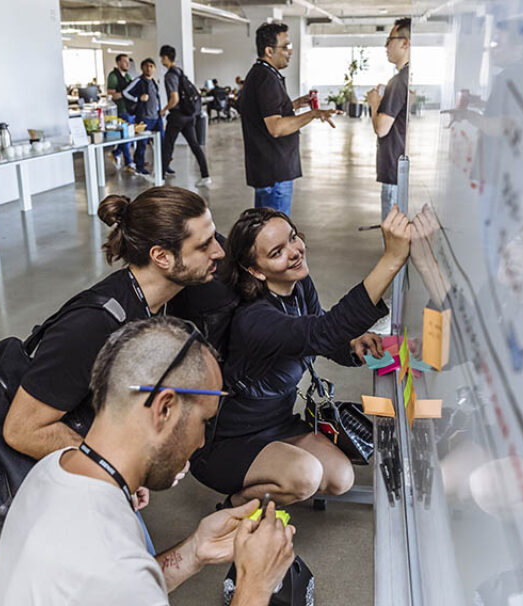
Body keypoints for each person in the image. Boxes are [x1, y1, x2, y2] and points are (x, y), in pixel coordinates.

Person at [0, 186, 233, 605]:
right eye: (206, 243)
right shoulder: (93, 326)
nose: (219, 251)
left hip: (72, 442)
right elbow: (20, 430)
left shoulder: (162, 301)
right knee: (104, 576)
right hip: (26, 443)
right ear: (161, 257)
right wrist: (117, 470)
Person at [0, 318, 297, 605]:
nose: (202, 441)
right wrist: (255, 586)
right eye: (205, 421)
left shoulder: (56, 467)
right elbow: (119, 580)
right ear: (164, 409)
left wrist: (195, 550)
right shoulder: (112, 559)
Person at [190, 207, 412, 506]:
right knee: (305, 476)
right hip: (229, 441)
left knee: (339, 478)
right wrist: (392, 258)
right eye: (277, 252)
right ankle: (232, 508)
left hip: (278, 423)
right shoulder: (254, 319)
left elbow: (319, 334)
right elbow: (323, 332)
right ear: (255, 270)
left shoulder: (298, 286)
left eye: (293, 238)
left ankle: (280, 469)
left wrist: (352, 345)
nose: (294, 252)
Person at [238, 21, 338, 216]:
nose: (290, 52)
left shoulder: (260, 73)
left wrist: (292, 105)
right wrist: (312, 114)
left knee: (264, 228)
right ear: (269, 50)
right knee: (276, 232)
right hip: (274, 173)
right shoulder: (266, 78)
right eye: (285, 47)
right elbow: (276, 127)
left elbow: (264, 112)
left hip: (267, 170)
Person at [365, 17, 411, 220]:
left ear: (405, 42)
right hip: (402, 168)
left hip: (395, 170)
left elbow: (382, 128)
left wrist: (374, 102)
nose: (386, 46)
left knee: (392, 231)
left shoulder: (398, 81)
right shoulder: (409, 76)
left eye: (390, 39)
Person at [159, 44, 212, 187]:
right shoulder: (179, 72)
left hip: (177, 116)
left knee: (168, 145)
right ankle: (205, 175)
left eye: (161, 58)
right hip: (189, 115)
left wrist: (164, 110)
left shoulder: (170, 75)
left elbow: (174, 98)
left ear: (165, 57)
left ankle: (161, 176)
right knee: (195, 145)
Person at [122, 58, 164, 179]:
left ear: (154, 68)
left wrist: (160, 111)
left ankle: (163, 165)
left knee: (161, 142)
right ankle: (139, 166)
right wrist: (138, 98)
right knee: (142, 144)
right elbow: (125, 92)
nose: (149, 68)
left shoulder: (154, 82)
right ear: (142, 68)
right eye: (146, 66)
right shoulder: (139, 81)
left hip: (156, 117)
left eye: (151, 66)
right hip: (144, 118)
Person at [108, 53, 135, 172]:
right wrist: (124, 94)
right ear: (118, 63)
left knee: (129, 137)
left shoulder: (128, 76)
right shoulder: (113, 76)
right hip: (121, 111)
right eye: (124, 61)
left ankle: (115, 153)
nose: (127, 64)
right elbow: (111, 94)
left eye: (128, 61)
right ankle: (128, 163)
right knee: (126, 137)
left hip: (130, 109)